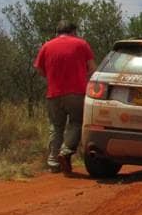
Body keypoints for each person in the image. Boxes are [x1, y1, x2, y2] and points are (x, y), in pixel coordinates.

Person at [34, 20, 96, 173]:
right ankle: (66, 151)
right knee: (77, 122)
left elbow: (40, 70)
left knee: (56, 126)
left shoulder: (47, 46)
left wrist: (52, 77)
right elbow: (92, 68)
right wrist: (83, 76)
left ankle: (53, 162)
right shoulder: (81, 44)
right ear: (73, 31)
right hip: (76, 92)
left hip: (54, 93)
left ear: (57, 32)